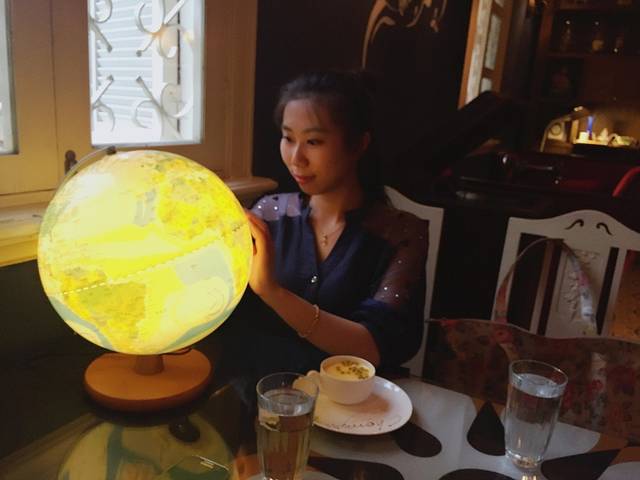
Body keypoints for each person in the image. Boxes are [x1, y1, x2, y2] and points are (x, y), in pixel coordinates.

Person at [216, 70, 428, 382]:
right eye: (288, 138)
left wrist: (273, 293)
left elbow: (374, 347)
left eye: (313, 141)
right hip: (264, 394)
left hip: (351, 401)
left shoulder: (400, 234)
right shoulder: (268, 214)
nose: (296, 158)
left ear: (358, 145)